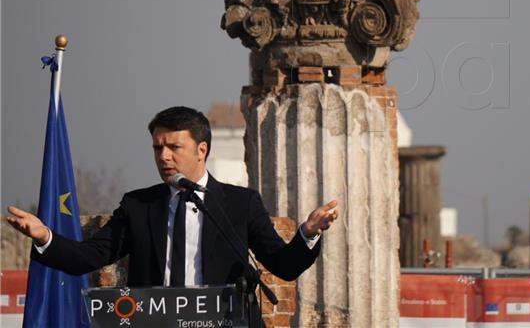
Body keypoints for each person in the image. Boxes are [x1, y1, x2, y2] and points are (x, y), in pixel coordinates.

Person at [6, 106, 337, 287]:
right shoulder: (138, 206)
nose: (163, 157)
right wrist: (45, 237)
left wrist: (307, 234)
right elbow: (90, 257)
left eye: (173, 147)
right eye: (157, 147)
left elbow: (282, 265)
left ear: (201, 150)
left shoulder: (240, 204)